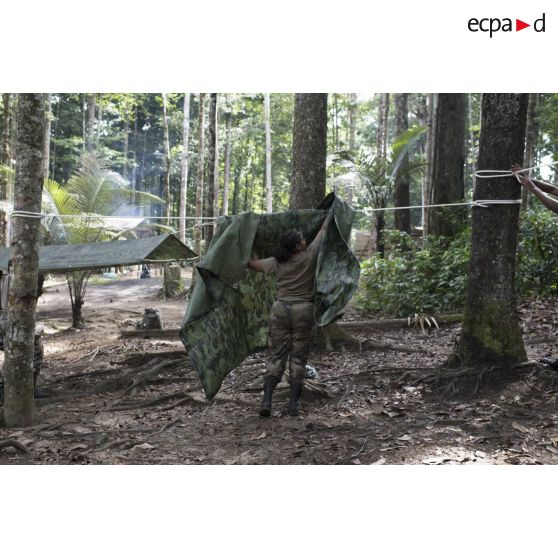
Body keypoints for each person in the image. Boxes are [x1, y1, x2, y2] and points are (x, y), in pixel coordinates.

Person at [248, 215, 330, 417]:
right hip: (303, 310)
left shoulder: (276, 262)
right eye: (301, 239)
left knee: (277, 356)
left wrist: (243, 253)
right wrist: (329, 213)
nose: (305, 241)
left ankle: (266, 401)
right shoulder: (309, 256)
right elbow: (323, 232)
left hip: (280, 310)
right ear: (297, 247)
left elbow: (252, 265)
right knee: (299, 358)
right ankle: (293, 405)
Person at [0, 259, 45, 401]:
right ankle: (7, 390)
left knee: (32, 349)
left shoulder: (9, 278)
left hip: (10, 318)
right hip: (10, 318)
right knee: (18, 351)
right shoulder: (11, 278)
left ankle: (27, 388)